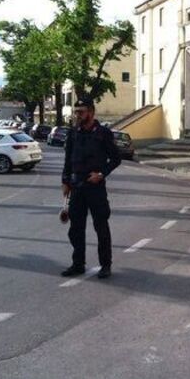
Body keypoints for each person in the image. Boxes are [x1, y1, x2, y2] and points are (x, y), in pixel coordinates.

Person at [60, 98, 122, 279]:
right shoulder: (73, 133)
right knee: (75, 229)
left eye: (81, 112)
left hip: (95, 187)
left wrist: (101, 174)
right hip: (77, 187)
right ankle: (78, 264)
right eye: (76, 111)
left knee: (101, 227)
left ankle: (105, 265)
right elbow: (68, 160)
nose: (78, 115)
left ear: (92, 112)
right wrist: (65, 181)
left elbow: (116, 159)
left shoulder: (103, 133)